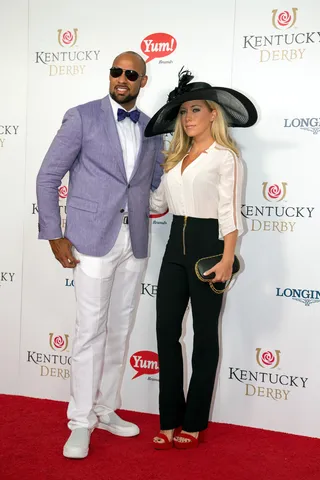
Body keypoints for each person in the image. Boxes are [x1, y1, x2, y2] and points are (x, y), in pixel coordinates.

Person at [36, 51, 163, 459]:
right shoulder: (82, 116)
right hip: (91, 240)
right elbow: (48, 175)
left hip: (134, 242)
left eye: (131, 74)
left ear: (142, 81)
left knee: (119, 329)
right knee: (90, 330)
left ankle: (106, 408)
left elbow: (154, 184)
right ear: (109, 76)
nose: (121, 78)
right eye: (116, 71)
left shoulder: (150, 128)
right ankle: (80, 421)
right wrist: (54, 234)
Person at [146, 69, 257, 449]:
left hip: (210, 246)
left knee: (205, 336)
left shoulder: (225, 157)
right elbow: (157, 205)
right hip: (174, 247)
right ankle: (168, 419)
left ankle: (193, 423)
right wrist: (144, 178)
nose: (188, 117)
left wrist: (228, 259)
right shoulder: (175, 157)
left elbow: (230, 213)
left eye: (196, 109)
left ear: (213, 113)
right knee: (166, 333)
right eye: (182, 112)